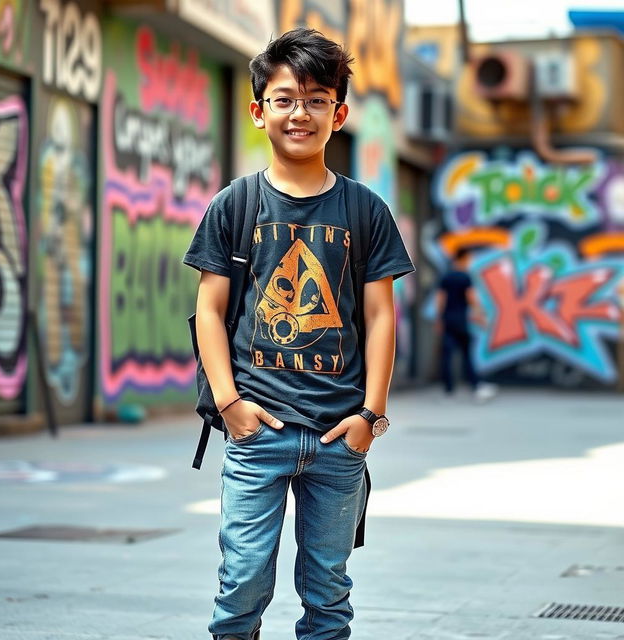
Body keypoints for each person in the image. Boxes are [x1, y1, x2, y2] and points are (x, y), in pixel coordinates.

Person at [183, 28, 415, 640]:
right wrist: (230, 404)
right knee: (241, 585)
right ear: (258, 111)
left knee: (328, 594)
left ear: (339, 114)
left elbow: (381, 315)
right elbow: (209, 310)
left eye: (316, 100)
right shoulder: (234, 205)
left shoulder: (365, 210)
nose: (300, 113)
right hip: (257, 431)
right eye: (285, 99)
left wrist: (372, 415)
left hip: (341, 435)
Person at [436, 247, 496, 401]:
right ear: (461, 259)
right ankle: (475, 386)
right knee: (467, 355)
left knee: (447, 356)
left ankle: (448, 390)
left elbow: (440, 299)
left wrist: (439, 319)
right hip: (461, 321)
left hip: (448, 320)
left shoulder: (446, 277)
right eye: (468, 259)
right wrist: (481, 315)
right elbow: (471, 298)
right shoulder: (465, 277)